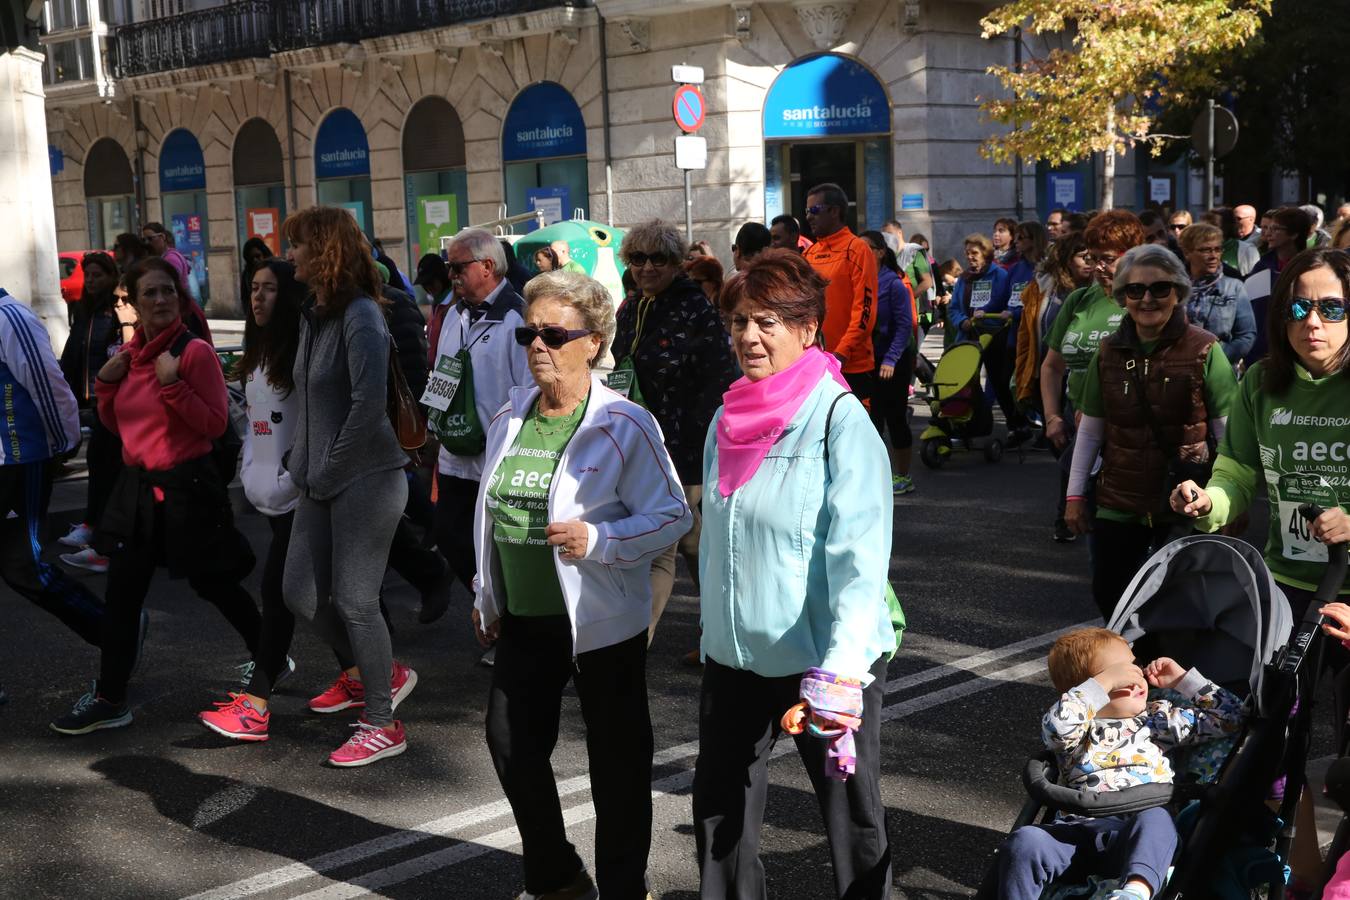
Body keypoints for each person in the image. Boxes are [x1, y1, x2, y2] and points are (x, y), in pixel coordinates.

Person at [473, 270, 692, 900]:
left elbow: (674, 514)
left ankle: (624, 887)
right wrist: (485, 594)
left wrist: (600, 541)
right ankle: (557, 874)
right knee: (511, 745)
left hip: (599, 619)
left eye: (553, 333)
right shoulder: (511, 415)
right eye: (528, 333)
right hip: (526, 618)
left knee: (617, 768)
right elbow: (492, 512)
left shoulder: (624, 423)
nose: (537, 345)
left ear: (592, 342)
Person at [695, 249, 896, 900]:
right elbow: (721, 540)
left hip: (823, 661)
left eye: (767, 322)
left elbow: (861, 557)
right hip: (735, 655)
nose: (748, 336)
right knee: (721, 813)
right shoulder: (728, 417)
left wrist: (840, 671)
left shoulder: (840, 418)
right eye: (738, 322)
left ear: (808, 329)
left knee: (850, 818)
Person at [49, 258, 262, 735]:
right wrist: (106, 385)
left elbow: (212, 424)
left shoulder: (194, 354)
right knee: (122, 596)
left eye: (168, 291)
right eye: (151, 294)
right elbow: (117, 424)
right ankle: (110, 696)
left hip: (187, 490)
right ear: (134, 303)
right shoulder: (132, 356)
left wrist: (173, 386)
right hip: (139, 492)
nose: (161, 300)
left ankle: (269, 657)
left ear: (181, 297)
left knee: (215, 585)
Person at [282, 206, 418, 766]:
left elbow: (366, 409)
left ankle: (383, 721)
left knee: (358, 603)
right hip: (320, 478)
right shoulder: (314, 313)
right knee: (300, 594)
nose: (289, 254)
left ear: (324, 252)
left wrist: (325, 471)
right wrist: (300, 463)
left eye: (297, 245)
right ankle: (383, 671)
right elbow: (311, 401)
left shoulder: (362, 314)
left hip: (367, 478)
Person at [1171, 246, 1350, 631]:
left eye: (1332, 308)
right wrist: (1207, 503)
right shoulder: (1260, 382)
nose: (1313, 322)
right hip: (1286, 583)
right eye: (1298, 309)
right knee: (1282, 693)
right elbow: (1236, 474)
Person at [994, 628, 1242, 900]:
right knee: (1026, 841)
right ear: (1088, 691)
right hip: (1077, 834)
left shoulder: (1156, 720)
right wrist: (1104, 683)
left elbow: (1231, 718)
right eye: (1117, 674)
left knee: (1156, 817)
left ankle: (1135, 892)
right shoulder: (1077, 732)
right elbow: (1056, 725)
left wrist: (1183, 680)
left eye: (1134, 666)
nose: (1134, 676)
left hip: (1134, 835)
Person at [1064, 244, 1237, 618]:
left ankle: (1170, 673)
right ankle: (1134, 673)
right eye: (1135, 290)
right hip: (1119, 502)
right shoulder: (1108, 352)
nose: (1147, 299)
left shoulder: (1206, 350)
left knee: (1182, 605)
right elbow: (1091, 433)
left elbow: (1228, 437)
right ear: (1122, 296)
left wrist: (1226, 505)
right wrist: (1074, 496)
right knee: (1111, 596)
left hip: (1185, 502)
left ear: (1178, 292)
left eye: (1159, 288)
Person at [612, 221, 737, 649]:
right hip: (638, 441)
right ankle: (722, 627)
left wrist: (697, 445)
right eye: (638, 259)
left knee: (660, 542)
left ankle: (631, 646)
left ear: (676, 263)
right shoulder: (629, 309)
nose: (647, 267)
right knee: (690, 536)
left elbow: (720, 377)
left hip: (684, 444)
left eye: (658, 259)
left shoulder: (693, 308)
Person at [196, 258, 305, 742]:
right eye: (253, 288)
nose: (257, 298)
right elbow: (256, 426)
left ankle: (257, 703)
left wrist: (291, 476)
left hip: (303, 495)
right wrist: (251, 469)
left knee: (279, 594)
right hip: (272, 494)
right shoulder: (258, 352)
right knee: (325, 601)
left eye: (270, 289)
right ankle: (366, 675)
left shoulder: (302, 349)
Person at [427, 228, 531, 664]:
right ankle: (491, 610)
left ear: (488, 267)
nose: (449, 275)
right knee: (450, 537)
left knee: (501, 549)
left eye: (457, 267)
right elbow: (441, 373)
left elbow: (528, 389)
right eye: (448, 267)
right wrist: (431, 426)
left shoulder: (517, 317)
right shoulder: (454, 314)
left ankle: (510, 630)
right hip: (455, 455)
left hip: (496, 458)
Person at [1, 287, 108, 696]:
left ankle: (115, 632)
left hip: (17, 461)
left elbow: (50, 385)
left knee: (23, 568)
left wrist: (64, 442)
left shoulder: (10, 318)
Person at [1041, 211, 1146, 544]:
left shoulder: (1146, 302)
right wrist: (1052, 416)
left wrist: (1103, 407)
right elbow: (1052, 366)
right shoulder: (1079, 299)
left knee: (1115, 531)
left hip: (1124, 428)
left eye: (1108, 259)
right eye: (1094, 258)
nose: (1099, 267)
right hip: (1075, 419)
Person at [57, 251, 126, 573]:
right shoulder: (84, 309)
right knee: (98, 465)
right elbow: (74, 351)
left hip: (110, 401)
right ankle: (93, 525)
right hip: (88, 397)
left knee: (106, 466)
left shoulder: (117, 312)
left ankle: (101, 533)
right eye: (90, 275)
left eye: (100, 274)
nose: (94, 280)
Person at [803, 183, 879, 401]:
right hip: (816, 363)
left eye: (814, 210)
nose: (809, 217)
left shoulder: (857, 249)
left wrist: (842, 353)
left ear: (834, 211)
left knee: (855, 432)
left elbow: (865, 310)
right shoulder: (809, 254)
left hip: (852, 366)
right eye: (807, 211)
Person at [948, 233, 1028, 439]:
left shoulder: (999, 275)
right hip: (968, 336)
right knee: (965, 383)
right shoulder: (963, 279)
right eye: (967, 254)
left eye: (974, 253)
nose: (970, 257)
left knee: (999, 382)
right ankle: (967, 424)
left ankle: (1017, 424)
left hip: (994, 336)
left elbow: (1004, 301)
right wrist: (962, 321)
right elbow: (954, 308)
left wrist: (986, 314)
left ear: (985, 253)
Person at [861, 231, 916, 494]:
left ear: (881, 252)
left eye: (866, 249)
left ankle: (903, 475)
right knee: (871, 421)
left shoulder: (894, 283)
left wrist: (891, 359)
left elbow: (905, 326)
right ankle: (875, 475)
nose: (861, 254)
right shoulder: (860, 280)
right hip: (866, 361)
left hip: (892, 361)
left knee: (895, 419)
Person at [1015, 231, 1090, 410]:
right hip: (1047, 370)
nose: (1090, 262)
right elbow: (1027, 334)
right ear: (1067, 259)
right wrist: (1023, 372)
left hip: (1082, 374)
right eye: (1082, 257)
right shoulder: (1042, 287)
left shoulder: (1099, 288)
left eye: (1092, 257)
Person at [1177, 223, 1256, 366]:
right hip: (1180, 369)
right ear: (1187, 253)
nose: (1213, 256)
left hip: (1221, 370)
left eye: (1217, 249)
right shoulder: (1175, 288)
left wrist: (1216, 359)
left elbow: (1247, 335)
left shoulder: (1234, 287)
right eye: (1206, 250)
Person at [1244, 206, 1314, 368]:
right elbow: (1251, 312)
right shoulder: (1262, 267)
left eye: (1276, 229)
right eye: (1267, 228)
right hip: (1261, 355)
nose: (1268, 233)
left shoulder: (1310, 267)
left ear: (1294, 234)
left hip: (1298, 353)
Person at [142, 222, 194, 298]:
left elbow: (168, 285)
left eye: (150, 238)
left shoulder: (171, 258)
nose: (147, 243)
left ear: (162, 237)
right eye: (144, 240)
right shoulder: (164, 257)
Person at [240, 237, 271, 309]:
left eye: (258, 256)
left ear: (264, 254)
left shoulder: (275, 271)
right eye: (251, 258)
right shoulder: (247, 275)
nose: (255, 260)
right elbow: (245, 299)